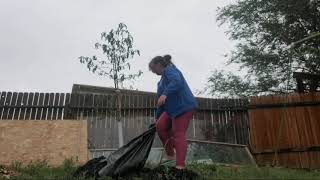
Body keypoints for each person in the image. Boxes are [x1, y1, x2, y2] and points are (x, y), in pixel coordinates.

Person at [149, 54, 198, 170]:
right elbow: (161, 103)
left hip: (184, 106)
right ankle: (170, 154)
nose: (152, 71)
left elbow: (177, 82)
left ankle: (180, 165)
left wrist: (165, 94)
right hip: (171, 110)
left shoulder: (170, 71)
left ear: (159, 65)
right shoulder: (160, 83)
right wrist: (157, 118)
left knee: (178, 133)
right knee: (160, 126)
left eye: (152, 68)